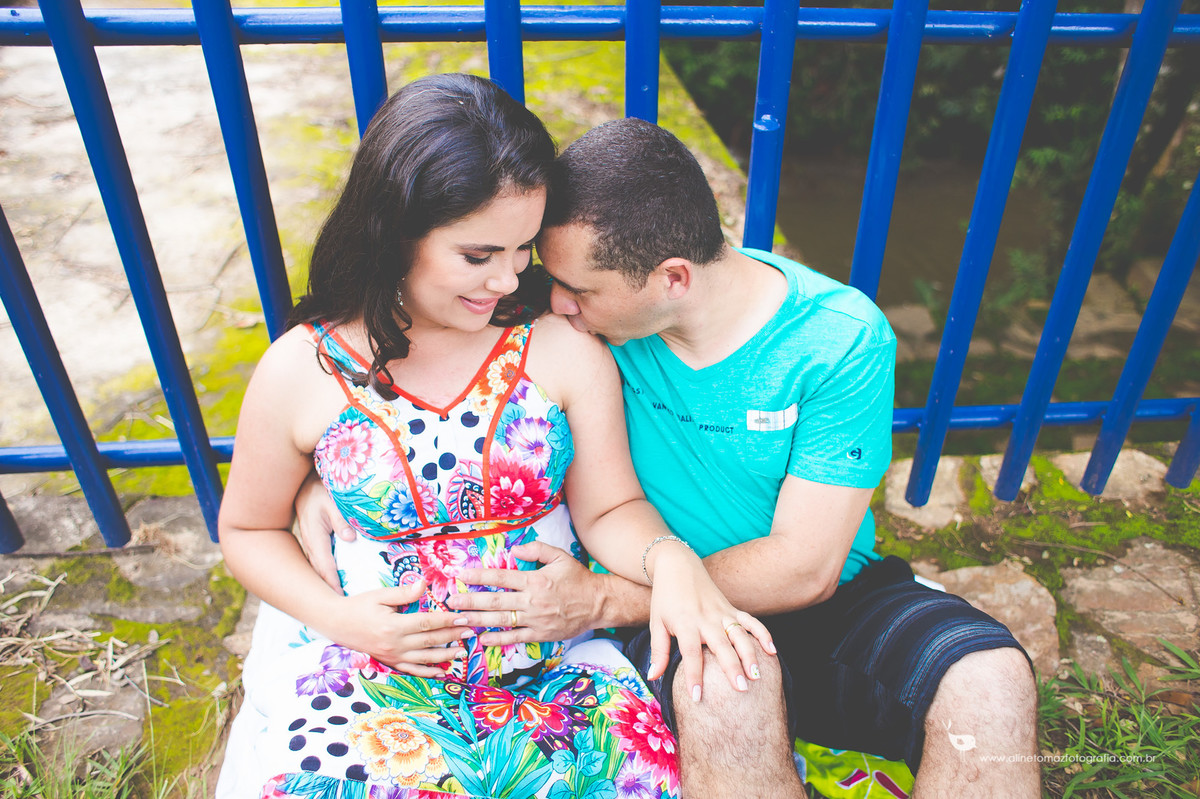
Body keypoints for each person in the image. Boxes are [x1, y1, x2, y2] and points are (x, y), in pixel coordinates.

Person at [299, 117, 1041, 797]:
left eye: (574, 289)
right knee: (730, 695)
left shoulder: (838, 340)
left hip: (831, 599)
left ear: (672, 280)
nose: (546, 301)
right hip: (669, 619)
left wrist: (608, 600)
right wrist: (319, 479)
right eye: (544, 277)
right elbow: (404, 348)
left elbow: (807, 566)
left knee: (993, 678)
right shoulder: (576, 320)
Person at [216, 75, 771, 799]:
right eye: (478, 255)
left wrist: (668, 560)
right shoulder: (303, 368)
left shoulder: (559, 346)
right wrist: (346, 621)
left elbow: (607, 508)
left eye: (523, 251)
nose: (507, 280)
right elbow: (248, 527)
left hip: (558, 683)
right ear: (395, 233)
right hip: (375, 683)